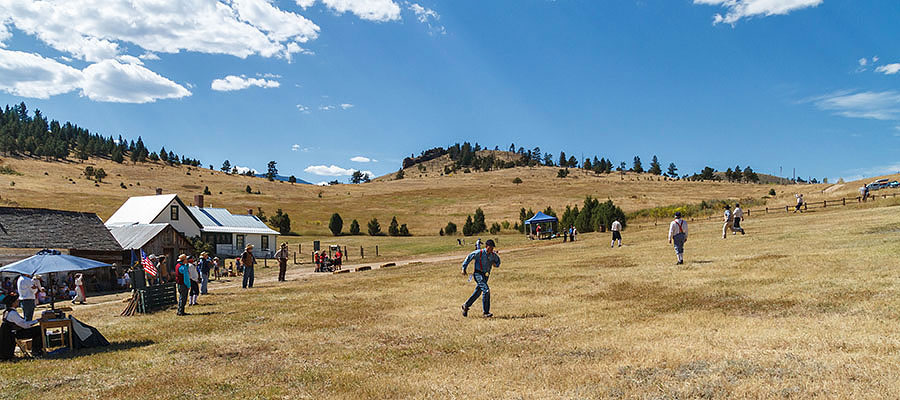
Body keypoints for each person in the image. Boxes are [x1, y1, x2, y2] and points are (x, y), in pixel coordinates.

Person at [460, 239, 501, 318]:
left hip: (486, 275)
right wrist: (463, 268)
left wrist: (496, 264)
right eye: (490, 247)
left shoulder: (493, 255)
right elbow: (469, 257)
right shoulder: (479, 253)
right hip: (478, 274)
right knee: (486, 290)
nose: (491, 249)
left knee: (478, 292)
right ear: (486, 246)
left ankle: (466, 305)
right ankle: (486, 312)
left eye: (493, 248)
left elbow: (498, 261)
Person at [0, 293, 43, 359]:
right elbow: (25, 325)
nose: (18, 302)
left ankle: (36, 350)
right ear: (13, 303)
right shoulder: (12, 313)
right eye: (16, 301)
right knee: (39, 329)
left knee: (37, 329)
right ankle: (36, 351)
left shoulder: (7, 312)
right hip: (14, 334)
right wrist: (38, 321)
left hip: (11, 333)